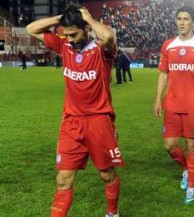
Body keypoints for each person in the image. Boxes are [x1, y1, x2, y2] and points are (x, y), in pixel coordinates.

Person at [26, 5, 124, 217]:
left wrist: (88, 19)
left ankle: (112, 213)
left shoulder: (101, 50)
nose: (69, 39)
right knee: (62, 180)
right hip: (71, 122)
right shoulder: (64, 46)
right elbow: (31, 29)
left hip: (99, 121)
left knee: (107, 175)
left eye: (74, 34)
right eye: (66, 34)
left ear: (86, 28)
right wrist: (60, 18)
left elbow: (109, 37)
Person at [153, 6, 194, 205]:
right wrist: (157, 99)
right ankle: (186, 169)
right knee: (169, 145)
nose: (181, 22)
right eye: (179, 18)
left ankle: (191, 187)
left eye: (186, 19)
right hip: (171, 104)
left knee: (191, 144)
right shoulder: (168, 45)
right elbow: (164, 73)